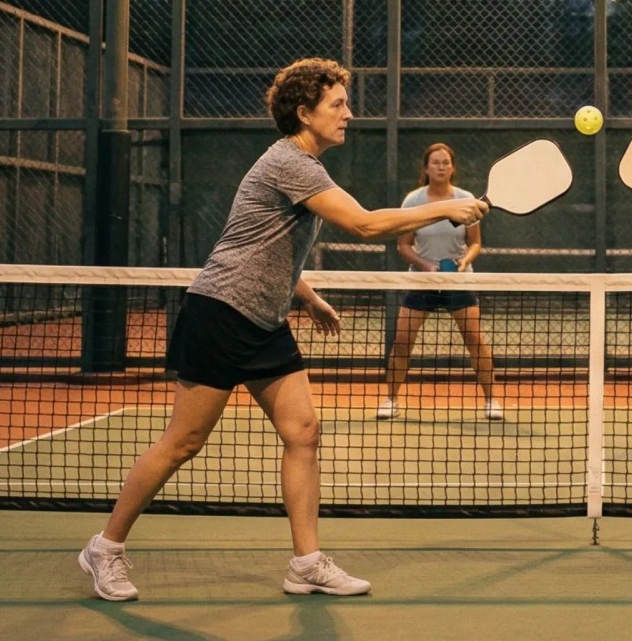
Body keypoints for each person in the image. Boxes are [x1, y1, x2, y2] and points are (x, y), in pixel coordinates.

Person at [77, 58, 482, 603]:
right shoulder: (291, 163)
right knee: (184, 442)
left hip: (264, 322)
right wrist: (449, 208)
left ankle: (306, 564)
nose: (348, 114)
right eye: (337, 104)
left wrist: (306, 295)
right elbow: (363, 223)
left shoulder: (304, 165)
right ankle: (105, 548)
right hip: (221, 314)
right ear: (303, 112)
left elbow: (262, 242)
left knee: (303, 432)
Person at [377, 141, 502, 421]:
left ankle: (492, 401)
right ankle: (391, 400)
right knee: (402, 342)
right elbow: (404, 246)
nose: (441, 167)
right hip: (422, 282)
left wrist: (464, 262)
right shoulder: (413, 201)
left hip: (458, 282)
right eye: (436, 162)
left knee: (474, 339)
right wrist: (426, 266)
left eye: (446, 162)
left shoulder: (466, 199)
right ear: (426, 168)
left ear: (452, 167)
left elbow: (475, 243)